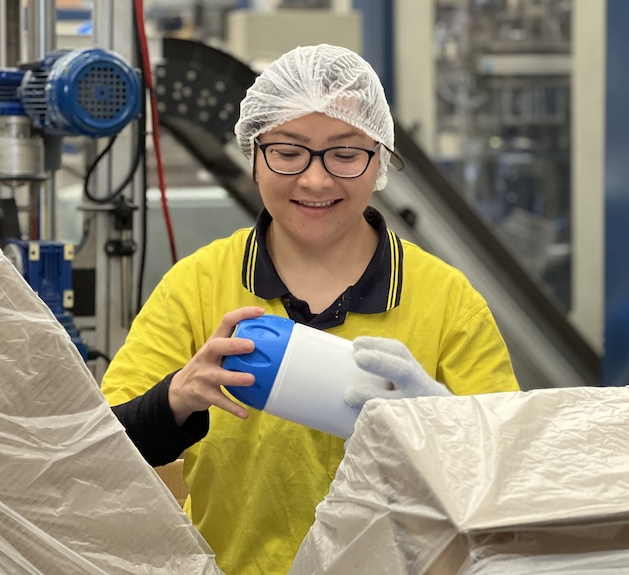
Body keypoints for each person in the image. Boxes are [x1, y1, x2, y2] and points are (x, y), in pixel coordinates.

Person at [101, 43, 519, 575]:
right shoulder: (197, 285)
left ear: (381, 160)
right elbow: (106, 451)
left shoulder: (447, 300)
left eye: (345, 154)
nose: (316, 180)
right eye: (289, 151)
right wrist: (176, 399)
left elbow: (506, 474)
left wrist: (439, 420)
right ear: (253, 153)